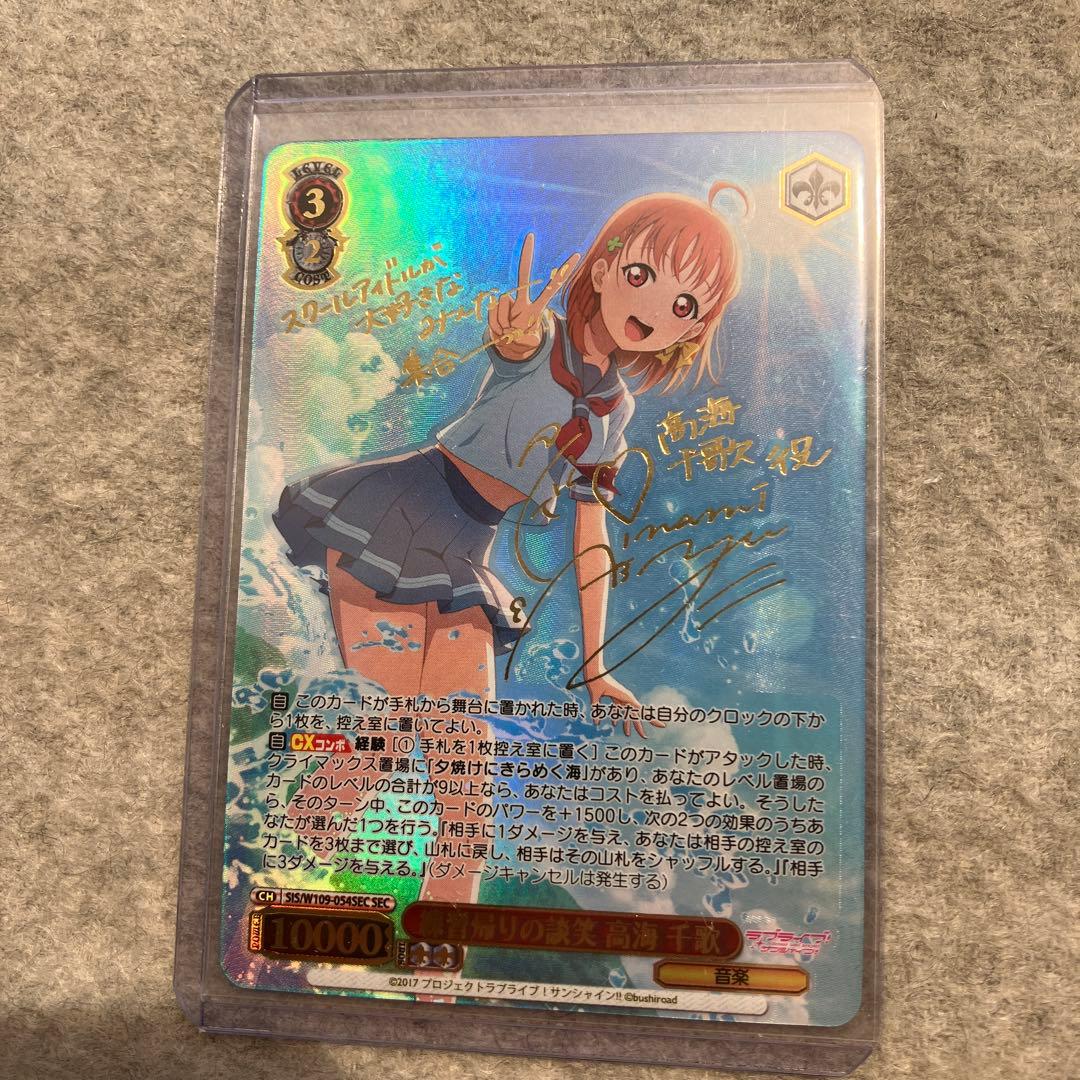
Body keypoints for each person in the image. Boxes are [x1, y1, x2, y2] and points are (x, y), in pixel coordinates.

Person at [274, 182, 746, 915]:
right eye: (643, 274)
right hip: (399, 510)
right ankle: (276, 888)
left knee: (470, 794)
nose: (657, 308)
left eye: (686, 305)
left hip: (470, 551)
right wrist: (513, 333)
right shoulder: (543, 339)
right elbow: (515, 342)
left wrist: (596, 667)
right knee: (383, 740)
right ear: (602, 268)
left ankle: (438, 957)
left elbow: (591, 538)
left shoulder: (614, 414)